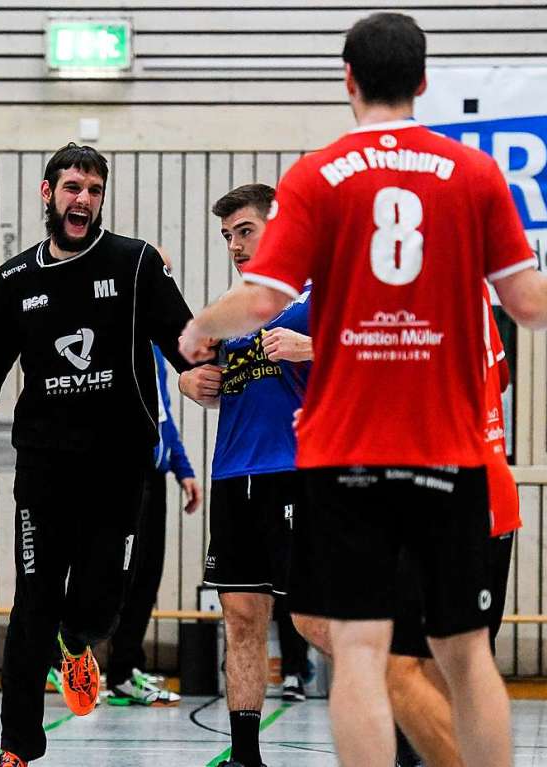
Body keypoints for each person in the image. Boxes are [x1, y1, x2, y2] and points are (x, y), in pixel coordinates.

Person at [179, 13, 547, 767]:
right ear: (423, 82)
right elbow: (527, 304)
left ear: (349, 80)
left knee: (358, 648)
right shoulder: (474, 173)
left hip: (344, 453)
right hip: (447, 448)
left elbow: (259, 300)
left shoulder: (317, 176)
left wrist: (199, 329)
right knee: (465, 652)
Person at [0, 143, 193, 766]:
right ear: (47, 194)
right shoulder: (13, 280)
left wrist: (210, 374)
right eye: (72, 188)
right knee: (32, 600)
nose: (81, 199)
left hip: (119, 464)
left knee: (100, 602)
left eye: (92, 190)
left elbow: (184, 344)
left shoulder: (135, 264)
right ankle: (17, 748)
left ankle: (78, 642)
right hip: (44, 465)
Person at [179, 183, 312, 767]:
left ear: (276, 226)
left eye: (245, 230)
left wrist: (314, 347)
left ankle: (403, 737)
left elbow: (371, 360)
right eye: (228, 236)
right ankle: (245, 755)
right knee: (241, 616)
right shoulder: (235, 311)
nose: (235, 244)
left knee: (317, 617)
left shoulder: (317, 294)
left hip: (297, 470)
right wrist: (193, 385)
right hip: (234, 475)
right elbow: (222, 380)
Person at [386, 292, 521, 767]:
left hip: (445, 499)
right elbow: (498, 378)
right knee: (444, 665)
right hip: (483, 496)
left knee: (400, 667)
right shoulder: (473, 291)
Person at [104, 335, 200, 707]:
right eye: (162, 271)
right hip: (120, 470)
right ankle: (68, 659)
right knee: (115, 574)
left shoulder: (157, 342)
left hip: (153, 473)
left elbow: (162, 411)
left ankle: (124, 671)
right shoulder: (118, 328)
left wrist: (182, 467)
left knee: (146, 574)